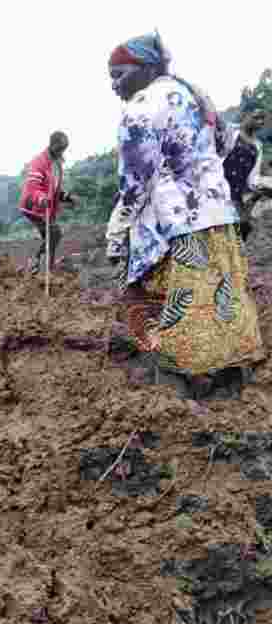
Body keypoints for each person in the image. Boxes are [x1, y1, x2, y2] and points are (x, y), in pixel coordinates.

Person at [105, 31, 265, 399]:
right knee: (220, 301)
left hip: (173, 229)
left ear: (145, 68)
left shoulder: (139, 108)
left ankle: (176, 397)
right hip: (218, 217)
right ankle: (231, 386)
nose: (114, 86)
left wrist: (119, 226)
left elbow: (136, 181)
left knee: (154, 306)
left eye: (119, 74)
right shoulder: (196, 96)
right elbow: (227, 145)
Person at [19, 132, 78, 274]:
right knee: (54, 233)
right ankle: (36, 261)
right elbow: (33, 187)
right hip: (33, 207)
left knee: (50, 237)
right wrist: (41, 198)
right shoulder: (39, 162)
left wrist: (67, 197)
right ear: (52, 145)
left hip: (45, 207)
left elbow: (54, 188)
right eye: (60, 148)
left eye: (64, 149)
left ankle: (42, 266)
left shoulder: (56, 164)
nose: (61, 152)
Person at [223, 109, 270, 243]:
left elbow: (252, 178)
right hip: (219, 190)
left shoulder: (258, 146)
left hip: (236, 195)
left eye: (262, 120)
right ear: (245, 115)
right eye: (256, 117)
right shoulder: (230, 132)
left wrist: (260, 189)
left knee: (243, 227)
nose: (260, 122)